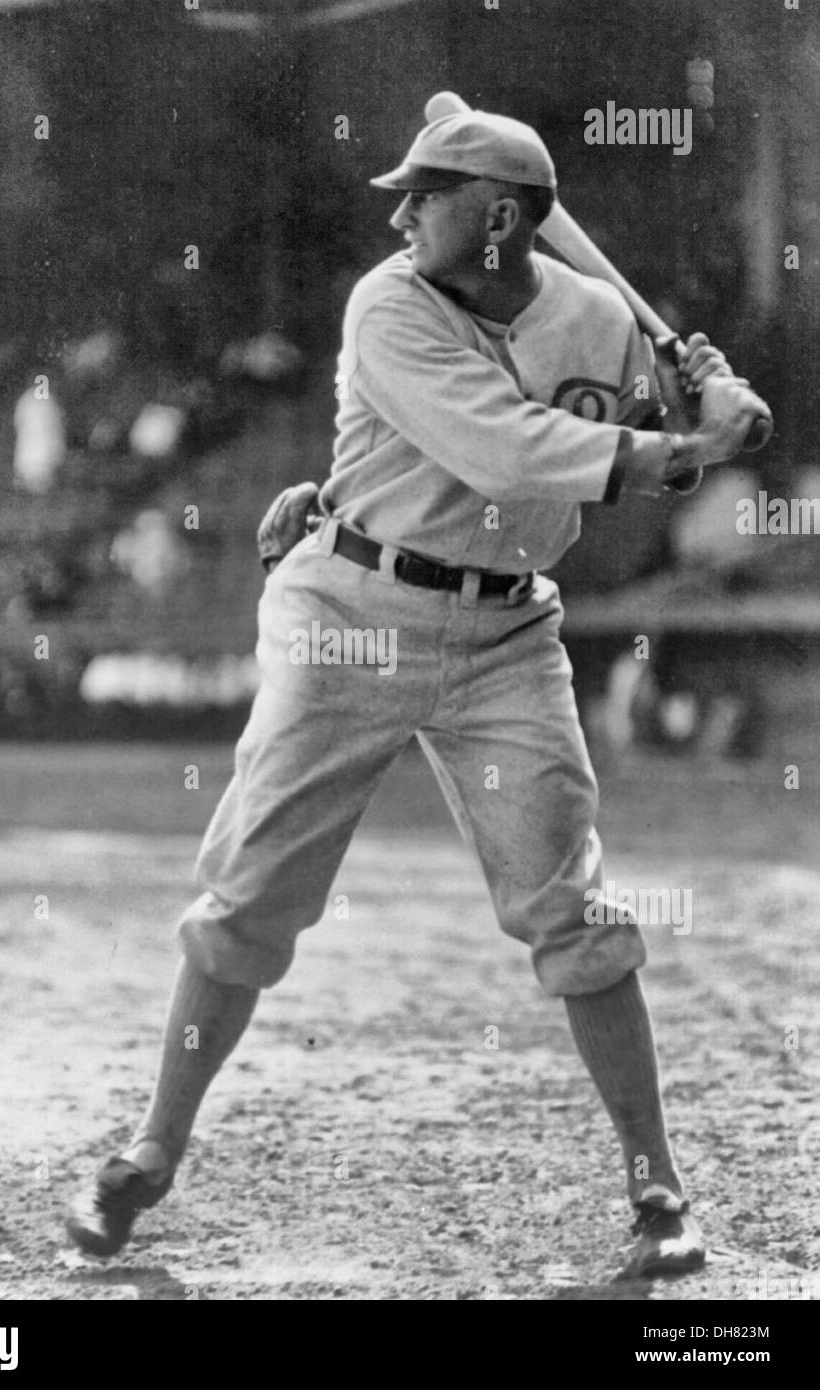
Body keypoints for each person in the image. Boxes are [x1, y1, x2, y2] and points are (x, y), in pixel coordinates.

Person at [66, 100, 763, 1280]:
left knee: (575, 915)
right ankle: (149, 1150)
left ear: (497, 221)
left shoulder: (596, 320)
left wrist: (700, 403)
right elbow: (503, 447)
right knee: (248, 903)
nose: (397, 214)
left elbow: (629, 451)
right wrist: (686, 447)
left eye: (422, 196)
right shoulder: (386, 302)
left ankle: (657, 1187)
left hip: (504, 636)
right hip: (350, 616)